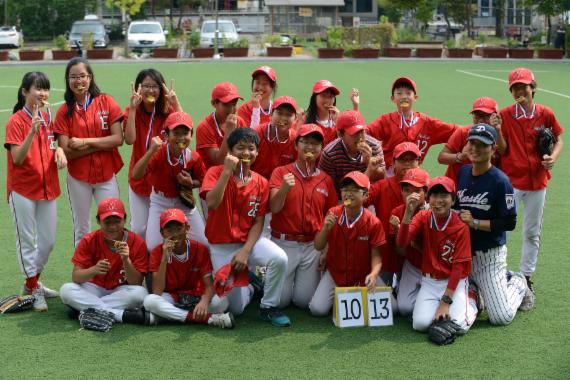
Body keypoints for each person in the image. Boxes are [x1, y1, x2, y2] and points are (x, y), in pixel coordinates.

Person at [200, 128, 290, 327]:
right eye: (240, 148)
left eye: (251, 149)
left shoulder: (261, 182)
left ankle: (268, 307)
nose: (246, 153)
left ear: (257, 152)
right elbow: (212, 203)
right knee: (235, 308)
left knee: (279, 258)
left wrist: (246, 251)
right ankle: (252, 286)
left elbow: (258, 222)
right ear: (230, 151)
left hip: (249, 243)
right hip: (222, 245)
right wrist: (226, 171)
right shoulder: (214, 173)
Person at [499, 67, 564, 309]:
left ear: (533, 87)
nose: (520, 91)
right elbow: (503, 150)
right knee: (504, 230)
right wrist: (496, 129)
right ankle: (501, 275)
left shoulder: (545, 113)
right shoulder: (505, 115)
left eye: (524, 86)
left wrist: (553, 157)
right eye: (515, 87)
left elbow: (558, 138)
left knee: (532, 232)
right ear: (511, 91)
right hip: (512, 182)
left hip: (538, 182)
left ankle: (526, 277)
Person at [5, 71, 67, 311]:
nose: (42, 94)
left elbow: (55, 144)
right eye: (37, 89)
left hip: (48, 186)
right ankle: (33, 286)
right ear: (25, 92)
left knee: (48, 241)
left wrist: (60, 152)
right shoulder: (16, 121)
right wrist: (32, 130)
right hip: (22, 189)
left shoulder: (50, 117)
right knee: (27, 241)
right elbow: (18, 158)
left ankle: (32, 282)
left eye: (45, 89)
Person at [455, 123, 529, 325]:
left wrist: (476, 222)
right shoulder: (462, 172)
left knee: (500, 317)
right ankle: (478, 289)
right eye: (472, 143)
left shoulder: (500, 181)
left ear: (493, 149)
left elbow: (509, 222)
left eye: (482, 144)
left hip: (490, 257)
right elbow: (456, 207)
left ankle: (517, 283)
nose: (475, 148)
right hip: (464, 255)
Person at [54, 57, 124, 247]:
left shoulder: (106, 101)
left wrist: (85, 142)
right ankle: (82, 272)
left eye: (82, 76)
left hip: (106, 176)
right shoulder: (63, 111)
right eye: (73, 77)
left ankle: (116, 271)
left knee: (113, 223)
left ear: (90, 77)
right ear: (67, 81)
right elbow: (67, 152)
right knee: (82, 228)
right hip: (78, 178)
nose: (78, 81)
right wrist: (101, 144)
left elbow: (118, 139)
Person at [396, 176, 477, 333]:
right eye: (434, 195)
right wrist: (408, 213)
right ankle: (440, 307)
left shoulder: (460, 225)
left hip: (455, 281)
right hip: (430, 282)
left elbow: (458, 267)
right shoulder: (423, 217)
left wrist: (444, 303)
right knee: (420, 324)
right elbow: (402, 243)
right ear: (428, 198)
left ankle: (473, 299)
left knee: (459, 326)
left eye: (444, 195)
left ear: (453, 200)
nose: (438, 200)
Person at [269, 124, 337, 309]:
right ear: (296, 145)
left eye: (315, 143)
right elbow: (274, 208)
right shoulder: (281, 172)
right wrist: (284, 189)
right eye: (305, 142)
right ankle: (262, 278)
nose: (310, 147)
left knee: (302, 301)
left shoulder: (326, 179)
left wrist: (326, 248)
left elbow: (331, 217)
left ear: (321, 148)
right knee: (280, 302)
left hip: (311, 247)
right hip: (284, 245)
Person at [59, 198, 152, 326]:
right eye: (107, 222)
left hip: (119, 291)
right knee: (66, 290)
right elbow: (76, 277)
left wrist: (126, 260)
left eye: (117, 221)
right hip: (94, 288)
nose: (112, 227)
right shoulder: (89, 240)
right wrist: (93, 270)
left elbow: (136, 282)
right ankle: (120, 315)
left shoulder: (137, 242)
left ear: (124, 220)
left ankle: (84, 308)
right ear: (98, 221)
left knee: (141, 294)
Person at [309, 171, 386, 317]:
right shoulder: (333, 213)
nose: (348, 194)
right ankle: (343, 299)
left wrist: (374, 274)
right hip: (336, 274)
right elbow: (318, 246)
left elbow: (376, 256)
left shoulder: (373, 222)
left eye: (354, 190)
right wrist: (325, 229)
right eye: (345, 190)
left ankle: (346, 299)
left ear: (365, 196)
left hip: (363, 275)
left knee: (392, 308)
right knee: (317, 310)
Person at [143, 208, 234, 328]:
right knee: (150, 301)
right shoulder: (157, 252)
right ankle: (207, 319)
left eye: (179, 228)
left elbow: (209, 285)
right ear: (162, 233)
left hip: (197, 296)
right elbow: (158, 291)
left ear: (187, 228)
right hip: (173, 298)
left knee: (222, 301)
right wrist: (164, 259)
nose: (174, 233)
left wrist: (204, 301)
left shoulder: (200, 249)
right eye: (169, 229)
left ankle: (168, 316)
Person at [132, 112, 208, 251]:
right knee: (153, 247)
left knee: (204, 243)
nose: (181, 138)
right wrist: (150, 151)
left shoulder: (193, 157)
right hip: (160, 201)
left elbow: (202, 181)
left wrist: (191, 183)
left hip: (183, 202)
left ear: (191, 135)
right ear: (166, 135)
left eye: (185, 133)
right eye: (176, 133)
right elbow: (136, 174)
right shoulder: (157, 153)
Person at [123, 68, 182, 239]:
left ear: (161, 90)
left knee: (166, 227)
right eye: (146, 86)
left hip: (163, 181)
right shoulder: (132, 110)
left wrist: (175, 103)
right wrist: (133, 109)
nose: (150, 91)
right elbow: (129, 140)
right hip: (139, 179)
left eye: (155, 86)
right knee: (140, 228)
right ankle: (140, 264)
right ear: (138, 88)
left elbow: (185, 134)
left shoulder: (168, 110)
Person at [367, 76, 457, 176]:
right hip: (389, 174)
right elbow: (365, 133)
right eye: (399, 93)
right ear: (393, 98)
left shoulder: (427, 123)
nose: (404, 96)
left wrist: (475, 128)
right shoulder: (386, 120)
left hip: (415, 174)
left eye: (408, 93)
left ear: (415, 98)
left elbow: (455, 131)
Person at [367, 142, 420, 286]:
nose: (407, 164)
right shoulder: (383, 185)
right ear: (393, 163)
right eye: (402, 160)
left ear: (418, 162)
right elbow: (360, 199)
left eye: (412, 160)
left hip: (412, 257)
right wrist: (368, 172)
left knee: (405, 305)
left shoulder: (424, 187)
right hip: (386, 255)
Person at [388, 167, 430, 317]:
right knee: (405, 308)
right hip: (411, 265)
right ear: (401, 192)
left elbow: (433, 255)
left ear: (426, 193)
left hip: (433, 268)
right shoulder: (397, 213)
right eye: (407, 189)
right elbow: (401, 252)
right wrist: (401, 233)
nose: (411, 195)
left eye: (417, 190)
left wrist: (411, 240)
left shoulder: (434, 213)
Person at [318, 110, 385, 198]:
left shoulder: (374, 146)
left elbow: (381, 177)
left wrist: (368, 161)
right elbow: (327, 187)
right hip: (340, 198)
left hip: (368, 196)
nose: (360, 137)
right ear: (340, 134)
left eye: (362, 132)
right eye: (355, 133)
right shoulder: (330, 154)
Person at [438, 97, 505, 183]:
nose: (480, 121)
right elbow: (442, 157)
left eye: (485, 116)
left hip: (485, 187)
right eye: (477, 116)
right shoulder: (463, 132)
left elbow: (503, 152)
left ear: (496, 116)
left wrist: (498, 131)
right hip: (456, 185)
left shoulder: (500, 135)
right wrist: (460, 156)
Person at [195, 82, 248, 169]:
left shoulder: (240, 122)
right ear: (214, 103)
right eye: (226, 105)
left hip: (235, 173)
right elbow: (219, 162)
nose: (231, 109)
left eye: (234, 104)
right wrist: (229, 132)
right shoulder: (204, 127)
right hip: (212, 177)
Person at [250, 95, 298, 180]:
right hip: (256, 184)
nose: (283, 118)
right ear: (271, 114)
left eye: (288, 115)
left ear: (295, 119)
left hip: (282, 187)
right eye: (279, 113)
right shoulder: (256, 133)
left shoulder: (296, 140)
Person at [303, 80, 359, 146]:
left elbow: (352, 137)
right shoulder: (304, 119)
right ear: (314, 98)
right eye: (323, 96)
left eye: (331, 96)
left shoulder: (338, 118)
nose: (327, 100)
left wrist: (355, 105)